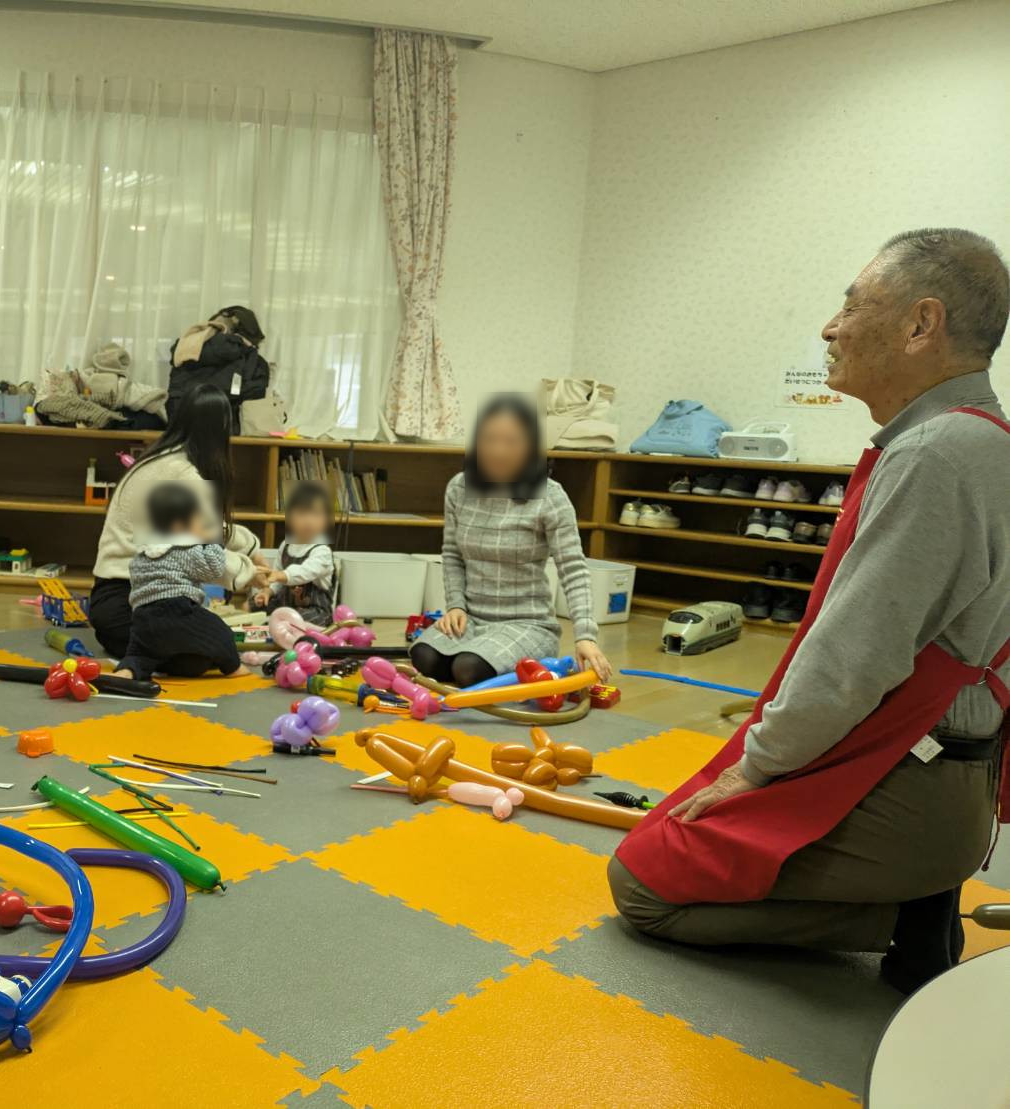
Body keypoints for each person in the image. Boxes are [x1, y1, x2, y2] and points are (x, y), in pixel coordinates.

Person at [609, 229, 1010, 994]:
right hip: (953, 773)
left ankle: (901, 913)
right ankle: (914, 893)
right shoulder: (985, 441)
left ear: (920, 324)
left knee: (642, 883)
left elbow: (852, 660)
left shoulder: (935, 454)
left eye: (851, 306)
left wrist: (753, 769)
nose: (830, 327)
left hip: (904, 782)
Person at [411, 393, 612, 690]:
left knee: (468, 668)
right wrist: (456, 607)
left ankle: (513, 656)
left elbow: (573, 569)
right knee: (424, 657)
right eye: (490, 439)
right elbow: (452, 554)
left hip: (527, 624)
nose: (499, 450)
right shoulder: (458, 488)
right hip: (472, 620)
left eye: (511, 441)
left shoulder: (551, 496)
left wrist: (585, 636)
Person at [90, 384, 263, 660]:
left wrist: (251, 547)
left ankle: (136, 651)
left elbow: (206, 527)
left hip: (108, 602)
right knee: (212, 653)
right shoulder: (184, 474)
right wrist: (248, 571)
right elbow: (200, 554)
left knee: (202, 643)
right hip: (133, 600)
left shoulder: (159, 459)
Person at [114, 483, 250, 683]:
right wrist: (213, 541)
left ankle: (128, 670)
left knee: (141, 654)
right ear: (179, 526)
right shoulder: (185, 549)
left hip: (142, 617)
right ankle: (233, 667)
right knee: (221, 634)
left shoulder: (143, 552)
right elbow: (214, 568)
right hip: (176, 610)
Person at [167, 306, 270, 435]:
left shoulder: (185, 350)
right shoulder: (255, 361)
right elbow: (253, 406)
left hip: (180, 430)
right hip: (227, 434)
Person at [251, 480, 337, 626]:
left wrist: (280, 575)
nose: (309, 521)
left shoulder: (323, 551)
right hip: (284, 604)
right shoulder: (286, 545)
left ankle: (274, 624)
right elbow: (277, 581)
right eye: (302, 513)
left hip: (314, 610)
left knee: (289, 619)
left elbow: (304, 572)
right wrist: (267, 591)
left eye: (316, 514)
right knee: (251, 605)